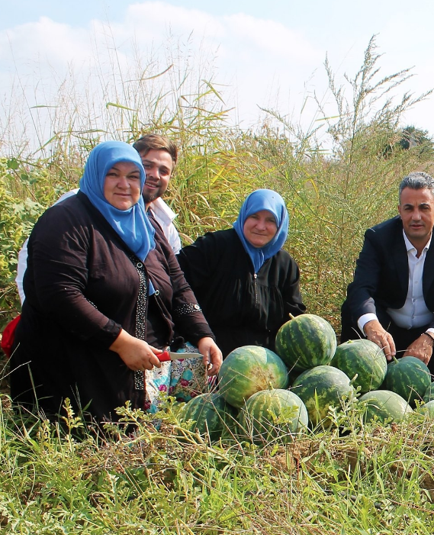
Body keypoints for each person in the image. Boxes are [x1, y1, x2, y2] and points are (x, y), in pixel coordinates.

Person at [9, 141, 221, 421]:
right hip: (78, 365)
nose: (125, 184)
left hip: (137, 361)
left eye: (133, 176)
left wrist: (203, 335)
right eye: (114, 174)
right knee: (93, 441)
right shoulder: (66, 220)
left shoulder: (146, 224)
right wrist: (121, 342)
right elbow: (61, 295)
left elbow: (178, 285)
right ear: (97, 175)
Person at [15, 134, 182, 304]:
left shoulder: (163, 224)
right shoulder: (77, 206)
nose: (155, 175)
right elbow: (33, 262)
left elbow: (176, 282)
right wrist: (31, 308)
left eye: (164, 171)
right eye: (147, 166)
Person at [341, 171, 434, 377]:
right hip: (387, 328)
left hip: (427, 328)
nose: (416, 217)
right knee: (353, 315)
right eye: (408, 208)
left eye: (424, 208)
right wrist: (372, 325)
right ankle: (361, 385)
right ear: (399, 211)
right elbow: (361, 288)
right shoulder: (378, 238)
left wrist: (429, 338)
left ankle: (429, 388)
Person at [177, 189, 305, 356]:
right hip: (209, 360)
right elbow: (176, 285)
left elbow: (294, 319)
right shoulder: (214, 247)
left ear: (280, 224)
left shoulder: (285, 265)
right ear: (244, 216)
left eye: (270, 220)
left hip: (265, 368)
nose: (261, 226)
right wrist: (199, 334)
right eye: (254, 217)